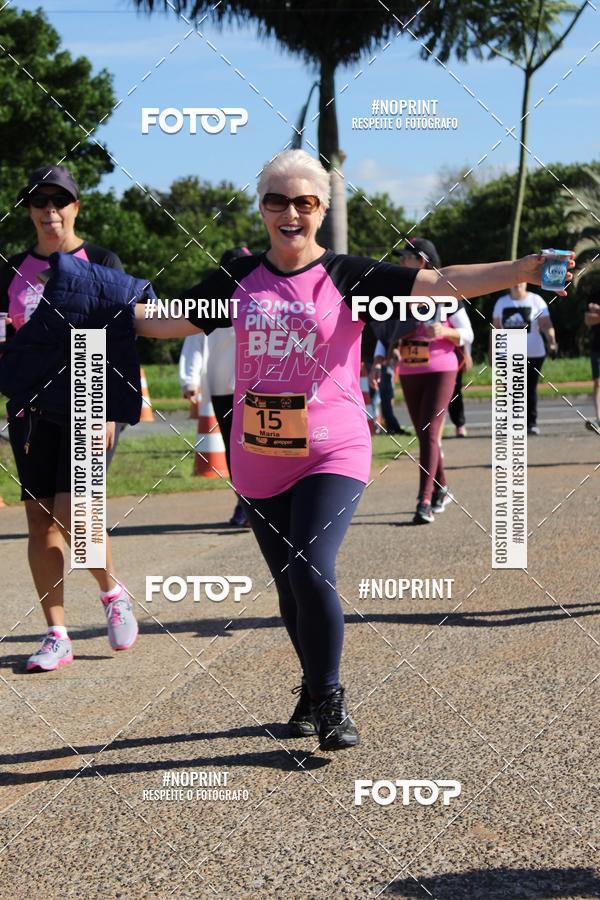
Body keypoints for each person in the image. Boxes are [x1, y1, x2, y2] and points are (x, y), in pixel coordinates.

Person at [135, 149, 573, 750]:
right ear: (261, 207)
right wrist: (89, 305)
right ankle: (313, 688)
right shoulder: (233, 282)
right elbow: (162, 320)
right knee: (290, 586)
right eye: (277, 200)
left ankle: (332, 699)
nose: (290, 212)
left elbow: (443, 282)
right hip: (258, 456)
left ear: (323, 207)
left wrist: (522, 267)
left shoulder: (351, 278)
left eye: (305, 202)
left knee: (311, 567)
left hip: (332, 449)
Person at [0, 165, 138, 671]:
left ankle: (111, 590)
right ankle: (56, 632)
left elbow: (118, 340)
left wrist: (107, 412)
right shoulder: (10, 270)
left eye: (59, 200)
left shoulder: (101, 261)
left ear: (76, 206)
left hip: (86, 398)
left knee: (75, 515)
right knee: (39, 520)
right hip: (28, 408)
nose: (49, 210)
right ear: (29, 210)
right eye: (39, 201)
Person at [379, 239, 474, 524]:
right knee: (424, 435)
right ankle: (442, 489)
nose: (400, 262)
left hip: (441, 368)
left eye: (405, 257)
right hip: (410, 370)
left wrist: (444, 332)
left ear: (421, 262)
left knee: (430, 431)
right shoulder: (400, 298)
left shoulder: (447, 296)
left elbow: (467, 334)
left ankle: (424, 500)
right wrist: (381, 357)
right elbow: (387, 333)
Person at [179, 247, 252, 526]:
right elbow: (194, 340)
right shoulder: (210, 302)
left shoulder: (259, 298)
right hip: (224, 389)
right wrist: (190, 380)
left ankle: (263, 504)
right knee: (235, 451)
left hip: (258, 389)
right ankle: (244, 504)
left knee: (261, 449)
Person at [492, 282, 558, 435]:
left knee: (529, 388)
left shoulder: (536, 300)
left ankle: (531, 423)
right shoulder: (502, 302)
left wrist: (552, 342)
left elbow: (546, 324)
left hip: (533, 353)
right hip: (508, 353)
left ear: (526, 283)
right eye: (513, 282)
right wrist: (492, 352)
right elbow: (495, 329)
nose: (517, 285)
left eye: (521, 281)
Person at [584, 301, 600, 432]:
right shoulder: (594, 294)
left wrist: (598, 311)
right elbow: (588, 320)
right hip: (596, 348)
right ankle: (598, 419)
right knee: (598, 383)